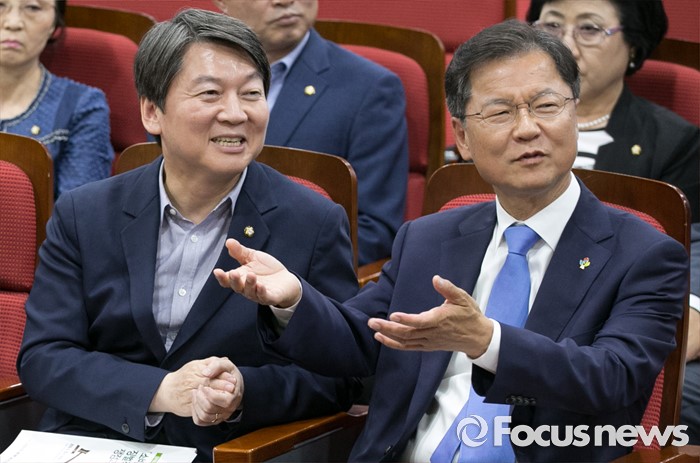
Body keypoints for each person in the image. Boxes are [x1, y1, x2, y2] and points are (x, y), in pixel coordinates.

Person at [213, 19, 689, 462]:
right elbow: (363, 339)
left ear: (574, 112)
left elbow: (615, 379)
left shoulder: (644, 254)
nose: (528, 129)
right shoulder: (430, 238)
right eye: (500, 112)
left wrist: (488, 341)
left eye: (546, 106)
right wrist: (294, 300)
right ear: (462, 137)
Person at [17, 8, 359, 461]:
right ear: (152, 112)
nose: (235, 114)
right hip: (92, 442)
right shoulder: (85, 213)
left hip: (227, 451)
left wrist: (243, 391)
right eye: (210, 93)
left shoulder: (311, 221)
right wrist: (161, 391)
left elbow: (341, 376)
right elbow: (44, 357)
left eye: (252, 94)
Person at [526, 0, 700, 443]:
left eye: (588, 29)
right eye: (551, 25)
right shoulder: (497, 120)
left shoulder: (674, 143)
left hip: (613, 319)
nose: (565, 44)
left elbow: (693, 246)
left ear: (634, 46)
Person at [214, 0, 409, 266]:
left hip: (285, 276)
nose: (285, 1)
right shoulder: (187, 77)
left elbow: (373, 230)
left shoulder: (369, 89)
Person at [0, 0, 113, 197]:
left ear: (54, 23)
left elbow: (78, 212)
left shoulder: (81, 106)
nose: (13, 23)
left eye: (33, 7)